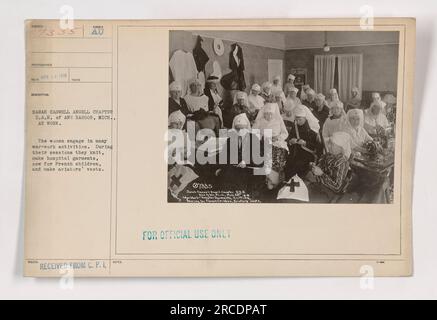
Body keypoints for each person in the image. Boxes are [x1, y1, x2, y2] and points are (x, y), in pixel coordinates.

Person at [253, 103, 289, 184]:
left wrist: (277, 138)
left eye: (271, 114)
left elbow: (285, 133)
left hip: (277, 143)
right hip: (263, 143)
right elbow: (253, 133)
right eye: (266, 114)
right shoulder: (259, 121)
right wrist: (263, 138)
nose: (269, 116)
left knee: (277, 160)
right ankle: (264, 181)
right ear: (263, 113)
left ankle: (276, 180)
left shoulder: (278, 120)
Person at [284, 105, 319, 180]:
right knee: (288, 163)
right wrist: (290, 142)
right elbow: (289, 139)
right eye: (296, 119)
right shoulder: (295, 126)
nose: (297, 121)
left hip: (307, 154)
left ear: (305, 118)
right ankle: (287, 183)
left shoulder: (312, 129)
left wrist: (305, 143)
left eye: (300, 119)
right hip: (294, 152)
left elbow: (317, 147)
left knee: (297, 166)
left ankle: (295, 183)